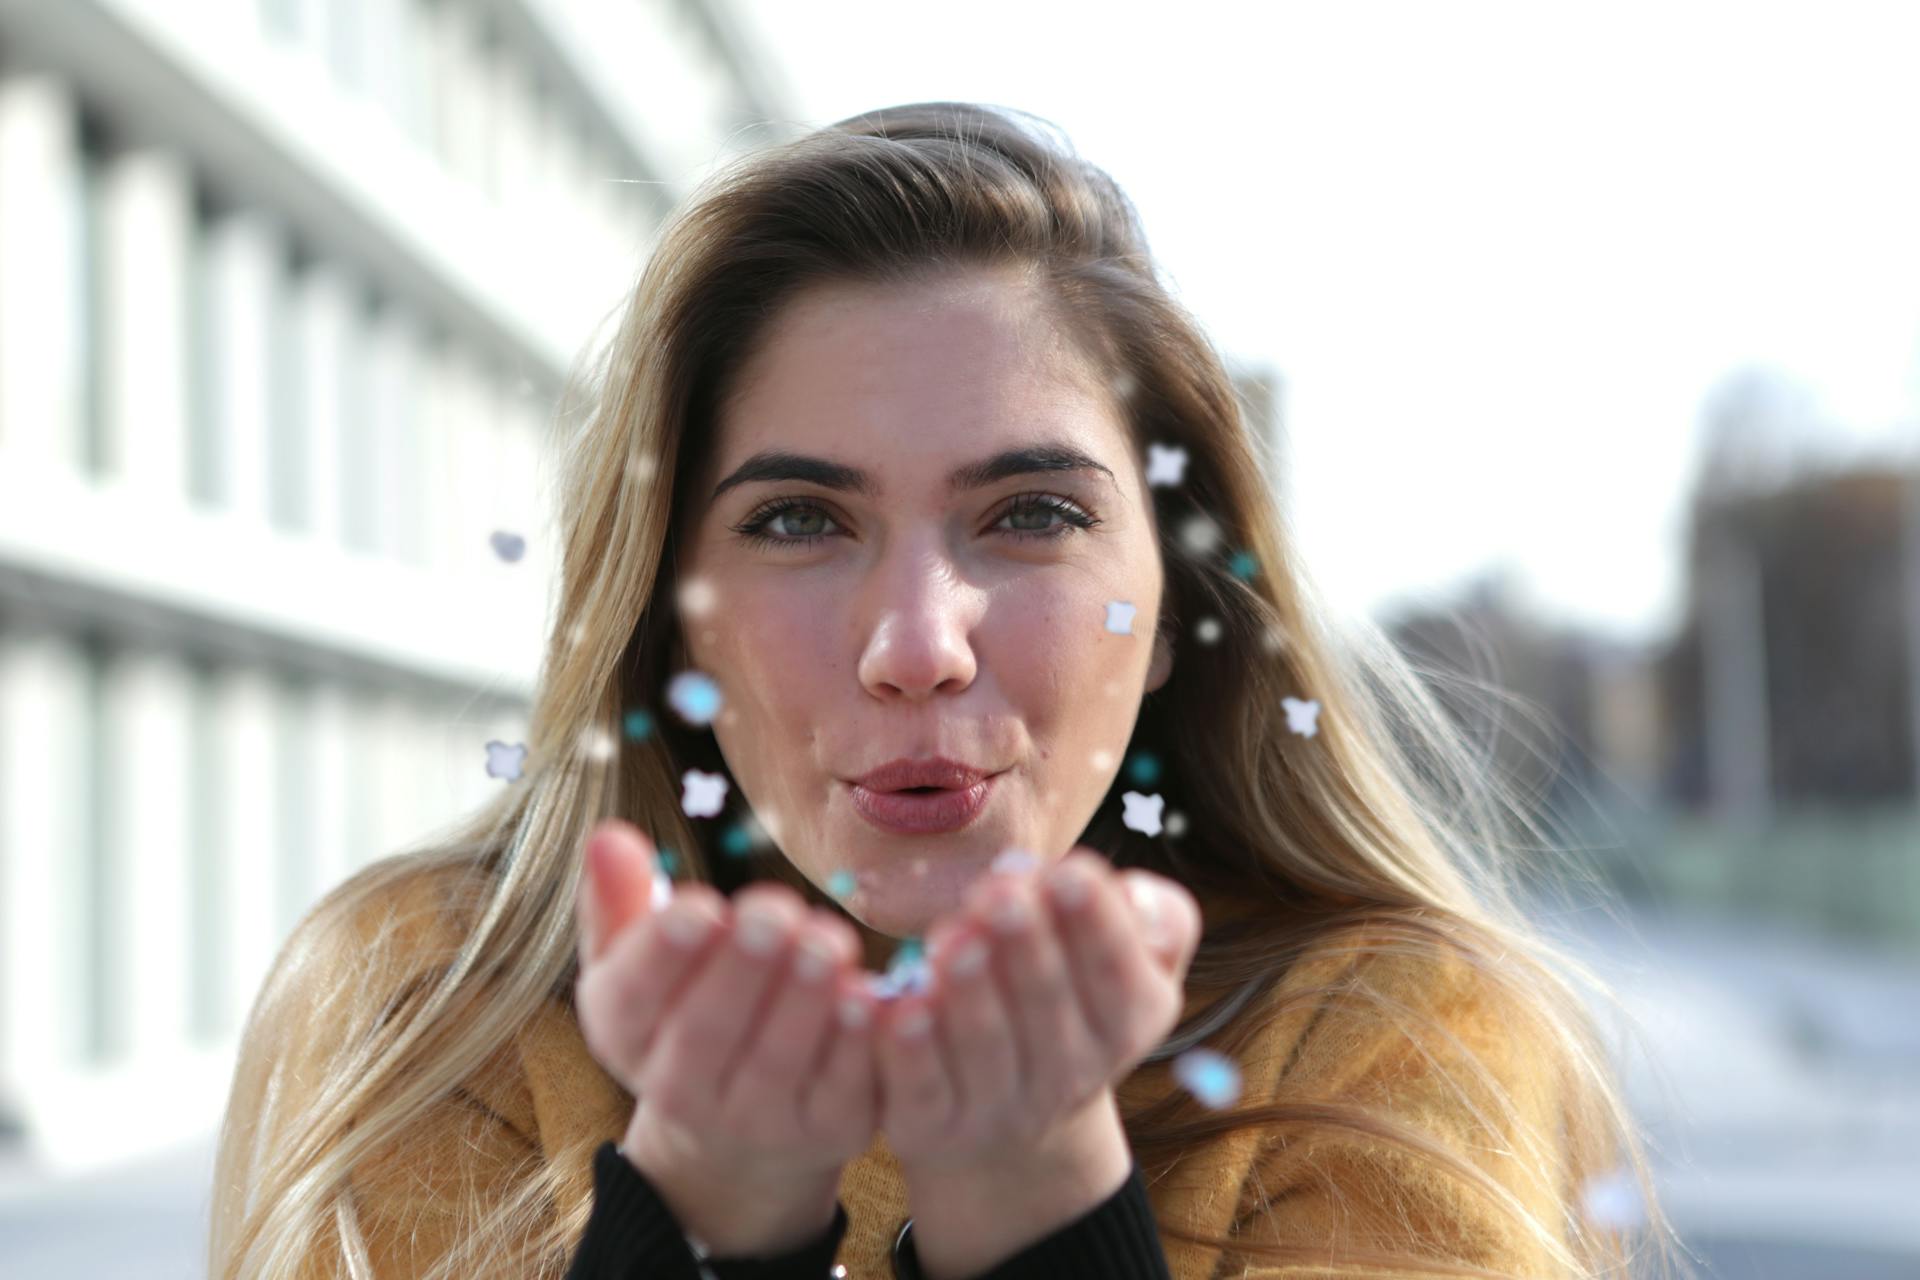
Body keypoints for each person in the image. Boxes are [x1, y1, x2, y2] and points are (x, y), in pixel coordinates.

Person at [207, 102, 1693, 1280]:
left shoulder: (1391, 1032)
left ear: (1176, 610)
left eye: (1031, 516)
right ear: (670, 624)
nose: (918, 644)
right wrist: (698, 1229)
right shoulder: (429, 1010)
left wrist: (1040, 1207)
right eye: (799, 521)